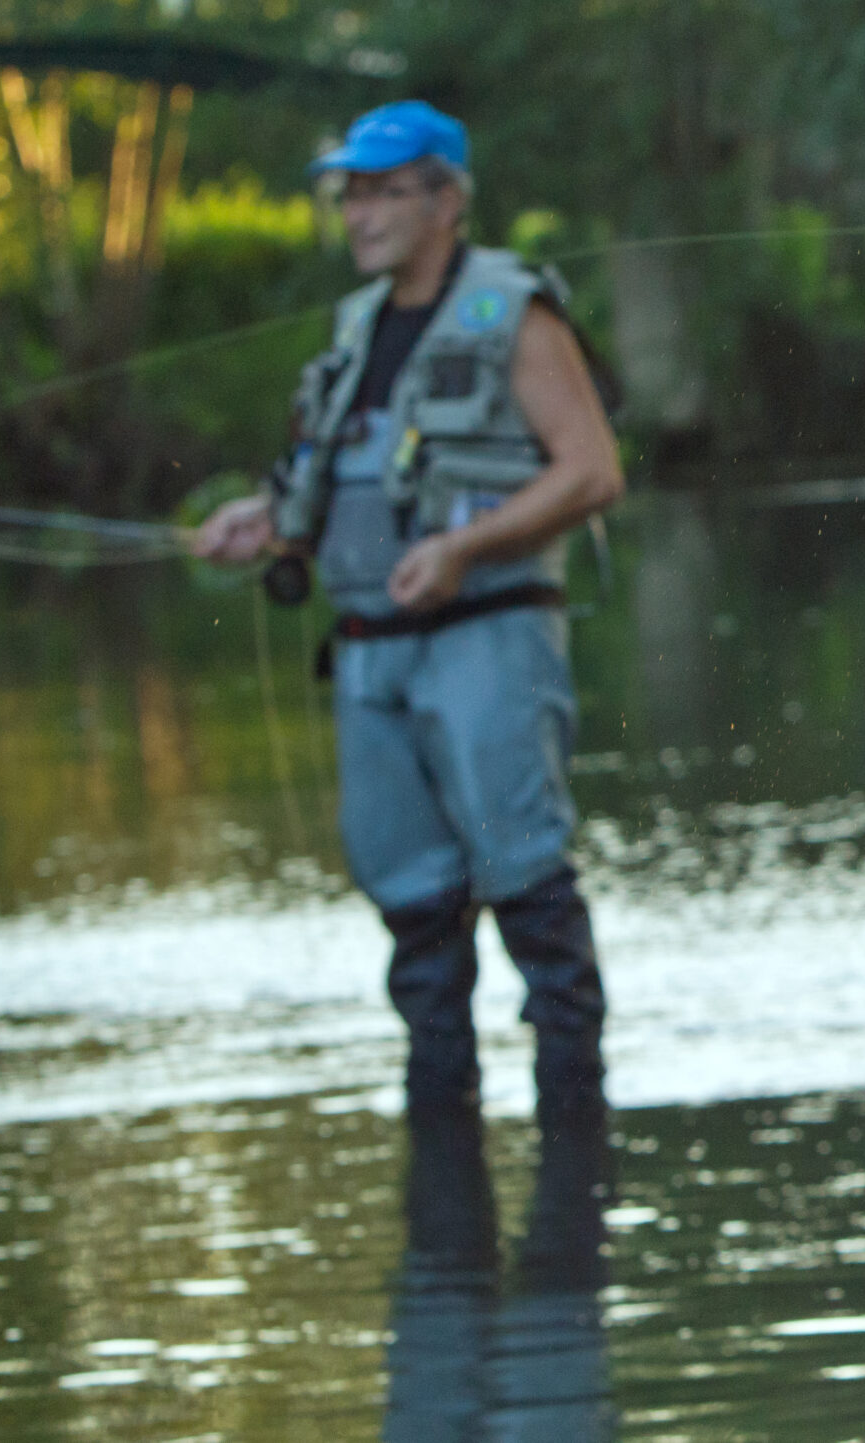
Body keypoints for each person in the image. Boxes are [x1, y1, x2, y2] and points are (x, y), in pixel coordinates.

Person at [192, 100, 625, 1123]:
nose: (360, 213)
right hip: (367, 658)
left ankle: (575, 1133)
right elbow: (345, 485)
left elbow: (594, 471)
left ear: (447, 199)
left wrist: (463, 549)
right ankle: (444, 1137)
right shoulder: (354, 326)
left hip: (487, 640)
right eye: (351, 193)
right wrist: (265, 521)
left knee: (523, 880)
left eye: (386, 191)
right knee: (415, 906)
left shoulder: (514, 310)